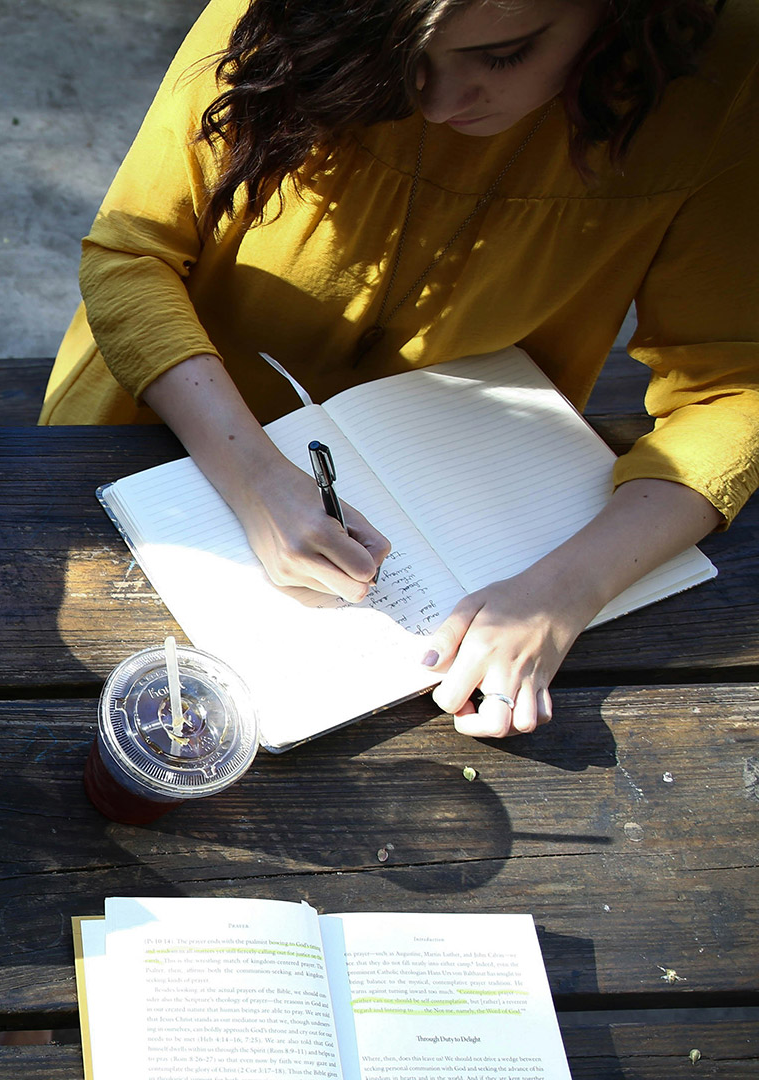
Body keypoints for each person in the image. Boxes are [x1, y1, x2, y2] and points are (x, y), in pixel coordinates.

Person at [43, 0, 756, 738]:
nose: (441, 101)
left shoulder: (722, 77)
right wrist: (254, 478)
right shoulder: (286, 15)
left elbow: (736, 389)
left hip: (480, 507)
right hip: (155, 425)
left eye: (504, 54)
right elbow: (133, 255)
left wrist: (565, 591)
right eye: (405, 56)